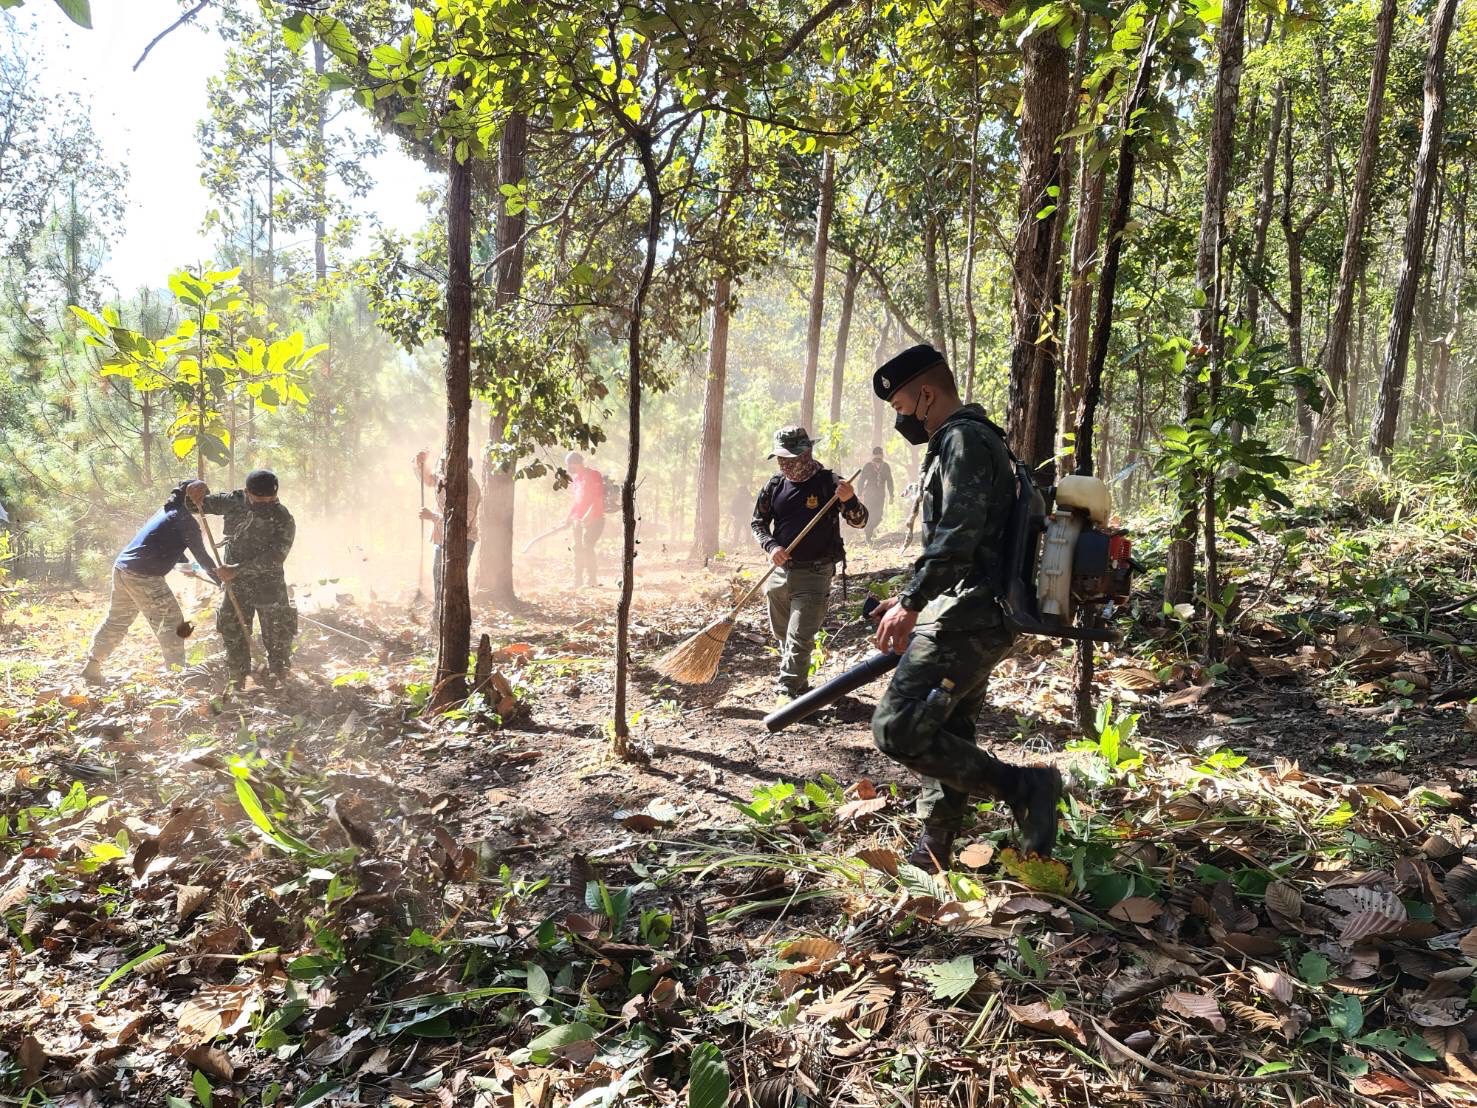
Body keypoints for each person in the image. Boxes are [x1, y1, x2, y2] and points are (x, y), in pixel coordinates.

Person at [868, 344, 1063, 869]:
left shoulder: (963, 440)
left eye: (903, 407)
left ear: (927, 394)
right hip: (973, 612)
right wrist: (911, 597)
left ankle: (1026, 787)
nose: (902, 420)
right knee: (945, 730)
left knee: (898, 727)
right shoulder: (978, 440)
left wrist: (913, 602)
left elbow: (957, 535)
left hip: (968, 618)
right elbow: (972, 545)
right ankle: (935, 849)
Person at [751, 425, 867, 700]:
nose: (787, 465)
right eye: (781, 459)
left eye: (792, 458)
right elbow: (758, 522)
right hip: (779, 573)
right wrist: (772, 546)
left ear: (808, 453)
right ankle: (800, 686)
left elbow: (860, 521)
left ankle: (786, 693)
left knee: (800, 637)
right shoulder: (774, 485)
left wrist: (849, 500)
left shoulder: (830, 483)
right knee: (783, 635)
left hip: (815, 573)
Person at [81, 480, 219, 683]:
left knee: (117, 620)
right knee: (173, 624)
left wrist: (188, 568)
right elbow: (203, 558)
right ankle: (176, 673)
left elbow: (171, 545)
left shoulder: (168, 511)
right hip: (144, 577)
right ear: (195, 499)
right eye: (203, 499)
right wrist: (222, 580)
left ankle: (93, 665)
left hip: (122, 569)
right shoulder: (186, 521)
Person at [200, 469, 297, 686]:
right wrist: (192, 486)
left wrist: (237, 569)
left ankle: (280, 680)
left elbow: (276, 557)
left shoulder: (283, 517)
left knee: (278, 636)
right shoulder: (234, 502)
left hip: (269, 585)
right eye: (259, 499)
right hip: (237, 587)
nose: (266, 504)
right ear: (247, 493)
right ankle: (240, 679)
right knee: (233, 630)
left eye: (271, 499)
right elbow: (195, 503)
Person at [415, 450, 481, 623]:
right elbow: (429, 479)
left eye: (446, 464)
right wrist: (420, 464)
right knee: (438, 575)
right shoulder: (446, 479)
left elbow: (462, 523)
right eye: (442, 464)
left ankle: (453, 621)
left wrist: (433, 517)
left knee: (453, 582)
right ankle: (438, 615)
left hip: (463, 541)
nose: (442, 468)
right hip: (442, 537)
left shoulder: (471, 488)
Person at [564, 451, 604, 588]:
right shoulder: (576, 479)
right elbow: (577, 502)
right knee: (577, 548)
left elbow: (598, 497)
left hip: (595, 518)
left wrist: (590, 515)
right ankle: (578, 580)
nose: (569, 467)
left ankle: (592, 580)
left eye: (570, 464)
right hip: (578, 520)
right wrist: (569, 517)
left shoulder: (594, 474)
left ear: (578, 463)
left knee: (588, 546)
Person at [856, 446, 895, 542]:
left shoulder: (886, 466)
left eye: (880, 454)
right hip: (869, 495)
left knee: (878, 516)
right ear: (873, 455)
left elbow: (890, 481)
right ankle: (868, 537)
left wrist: (891, 495)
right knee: (869, 515)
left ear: (882, 455)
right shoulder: (868, 466)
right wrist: (859, 493)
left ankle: (870, 530)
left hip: (880, 496)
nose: (878, 457)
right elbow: (861, 480)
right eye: (876, 455)